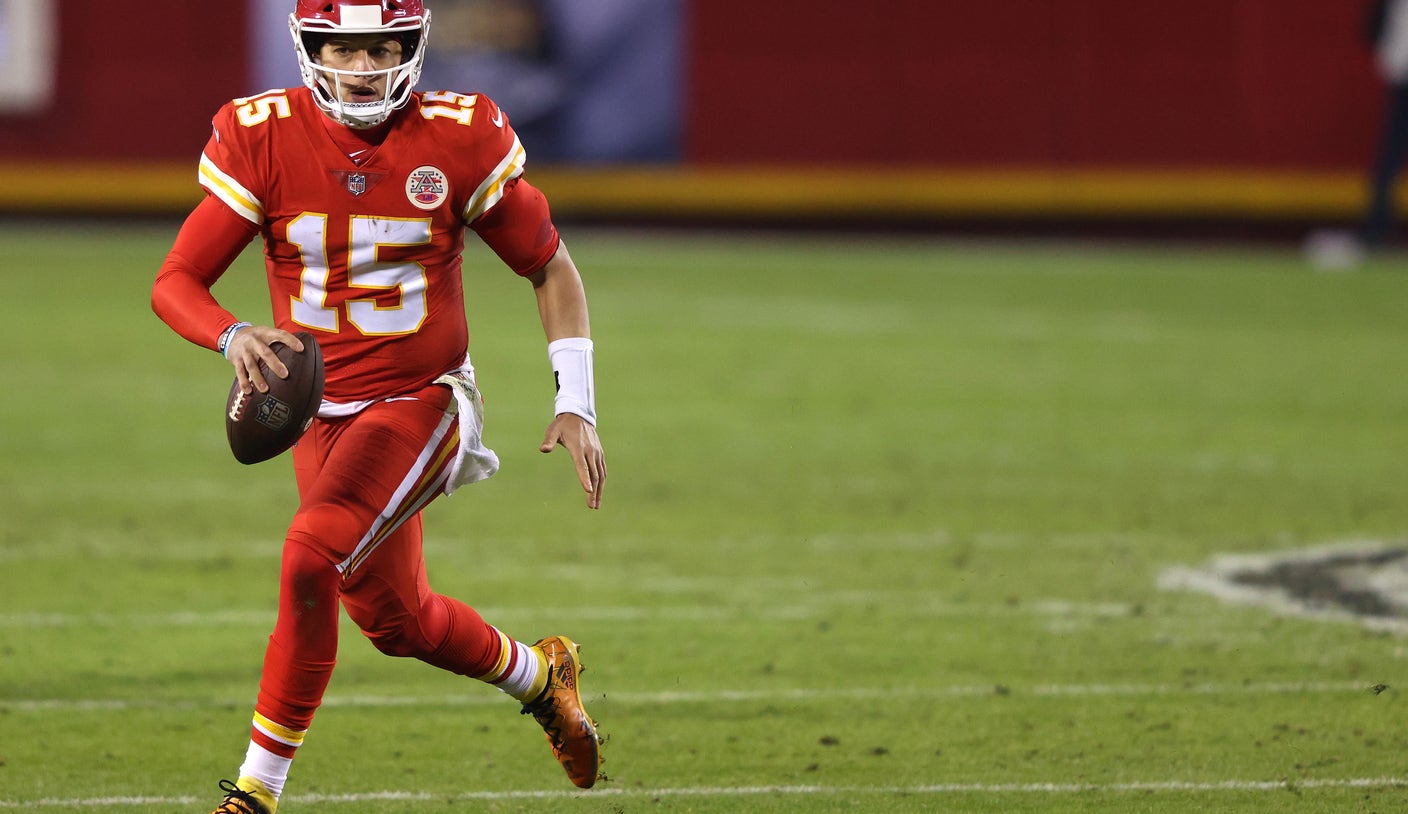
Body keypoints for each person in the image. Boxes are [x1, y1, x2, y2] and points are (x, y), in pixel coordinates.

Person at [150, 2, 606, 812]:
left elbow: (548, 264)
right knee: (399, 623)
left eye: (381, 47)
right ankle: (543, 675)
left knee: (308, 558)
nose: (363, 66)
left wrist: (577, 401)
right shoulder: (263, 135)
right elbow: (175, 281)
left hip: (422, 401)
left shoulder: (460, 136)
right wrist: (231, 337)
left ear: (412, 48)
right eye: (345, 48)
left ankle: (256, 793)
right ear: (308, 50)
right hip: (317, 414)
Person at [1364, 0, 1408, 248]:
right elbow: (1375, 27)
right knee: (1389, 157)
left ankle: (1376, 230)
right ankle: (1376, 228)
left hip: (1399, 76)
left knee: (1389, 156)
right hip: (1402, 81)